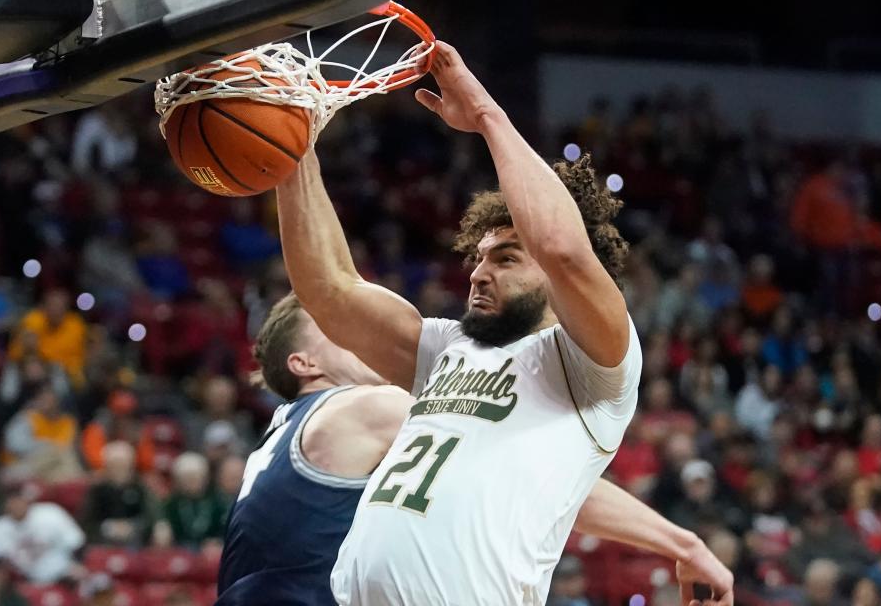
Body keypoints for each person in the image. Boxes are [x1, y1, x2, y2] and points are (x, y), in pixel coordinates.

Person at [275, 41, 732, 605]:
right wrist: (291, 145)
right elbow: (328, 289)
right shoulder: (447, 347)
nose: (479, 274)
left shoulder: (595, 367)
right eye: (479, 258)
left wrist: (488, 116)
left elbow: (561, 248)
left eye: (506, 258)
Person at [217, 294, 732, 605]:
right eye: (336, 328)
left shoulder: (283, 431)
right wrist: (680, 543)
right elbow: (543, 481)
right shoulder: (367, 407)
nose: (359, 331)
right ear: (305, 363)